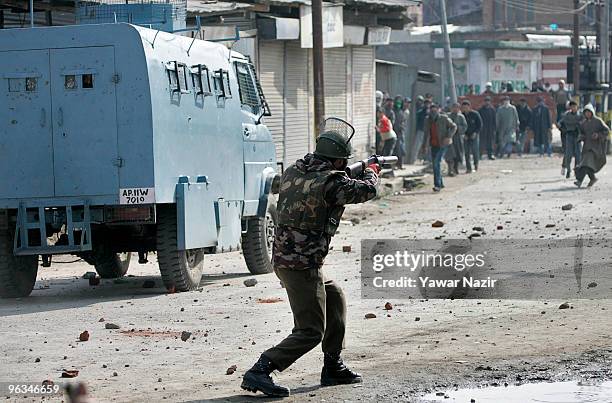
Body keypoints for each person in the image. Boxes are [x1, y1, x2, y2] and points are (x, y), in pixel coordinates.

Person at [241, 118, 380, 397]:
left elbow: (329, 182)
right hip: (303, 266)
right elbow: (368, 190)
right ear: (338, 161)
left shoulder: (295, 170)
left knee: (335, 295)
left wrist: (356, 168)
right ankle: (260, 370)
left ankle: (333, 366)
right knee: (310, 331)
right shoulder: (331, 182)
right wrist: (372, 171)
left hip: (286, 259)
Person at [424, 103, 457, 192]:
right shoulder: (428, 120)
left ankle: (437, 185)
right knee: (436, 164)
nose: (433, 113)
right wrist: (424, 146)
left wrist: (448, 136)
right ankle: (440, 183)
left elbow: (454, 127)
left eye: (435, 110)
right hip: (433, 144)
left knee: (436, 163)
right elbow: (426, 133)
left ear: (438, 110)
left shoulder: (444, 118)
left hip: (443, 144)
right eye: (431, 111)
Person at [575, 104, 609, 188]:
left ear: (592, 112)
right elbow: (581, 133)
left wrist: (598, 135)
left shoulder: (598, 121)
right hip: (587, 147)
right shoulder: (584, 123)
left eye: (588, 112)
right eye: (585, 112)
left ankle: (579, 180)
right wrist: (581, 137)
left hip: (596, 148)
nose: (587, 114)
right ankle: (592, 178)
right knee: (587, 165)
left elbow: (607, 131)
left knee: (586, 162)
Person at [559, 100, 583, 179]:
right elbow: (560, 123)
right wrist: (564, 129)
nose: (573, 108)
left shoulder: (580, 115)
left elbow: (583, 123)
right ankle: (568, 170)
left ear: (577, 106)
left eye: (574, 106)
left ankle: (577, 171)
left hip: (577, 136)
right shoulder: (566, 115)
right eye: (571, 106)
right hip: (569, 135)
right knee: (568, 154)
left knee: (578, 155)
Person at [445, 102, 467, 177]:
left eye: (457, 107)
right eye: (454, 107)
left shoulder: (461, 117)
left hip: (458, 137)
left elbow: (464, 126)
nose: (455, 109)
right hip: (449, 137)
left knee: (457, 153)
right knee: (449, 154)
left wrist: (458, 128)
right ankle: (450, 169)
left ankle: (455, 168)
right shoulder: (447, 116)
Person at [461, 100, 483, 173]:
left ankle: (476, 165)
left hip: (474, 135)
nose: (465, 109)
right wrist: (463, 134)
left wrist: (475, 133)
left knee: (475, 151)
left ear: (469, 107)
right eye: (464, 107)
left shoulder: (475, 114)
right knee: (466, 152)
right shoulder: (461, 115)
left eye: (466, 107)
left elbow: (479, 125)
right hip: (465, 136)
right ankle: (468, 168)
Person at [392, 95, 407, 169]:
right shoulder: (393, 111)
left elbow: (403, 122)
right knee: (395, 149)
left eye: (400, 102)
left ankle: (400, 164)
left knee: (401, 149)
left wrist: (402, 127)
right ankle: (394, 165)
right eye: (397, 101)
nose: (398, 103)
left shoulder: (401, 111)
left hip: (400, 133)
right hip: (394, 132)